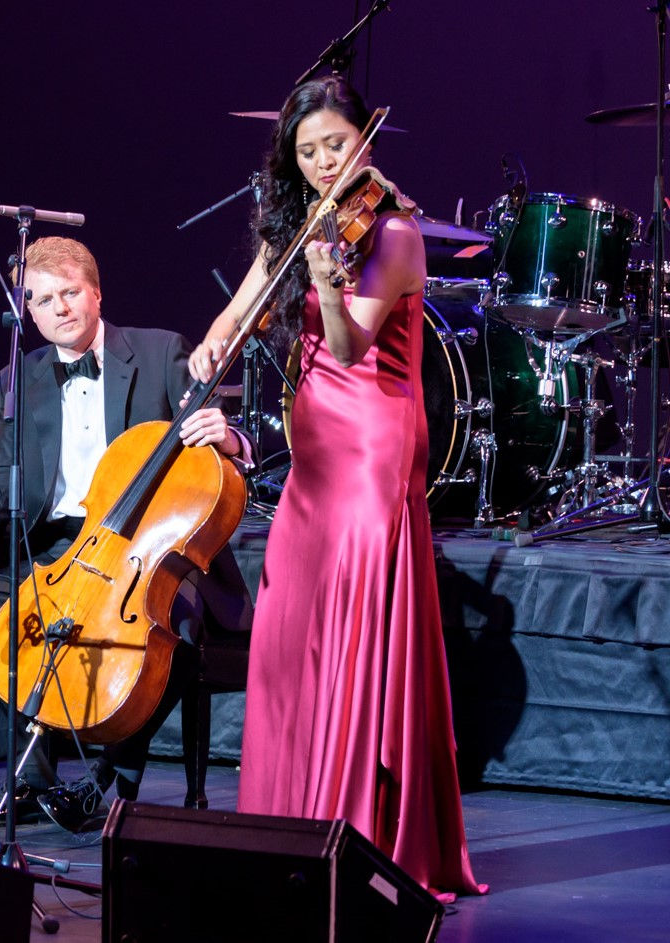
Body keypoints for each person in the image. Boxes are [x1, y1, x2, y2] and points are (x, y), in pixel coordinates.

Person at [189, 75, 486, 899]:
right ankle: (287, 814)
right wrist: (216, 335)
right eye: (307, 148)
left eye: (335, 144)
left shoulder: (393, 231)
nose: (323, 161)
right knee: (291, 622)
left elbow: (353, 346)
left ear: (366, 140)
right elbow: (251, 288)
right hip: (315, 446)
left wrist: (323, 280)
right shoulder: (302, 219)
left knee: (353, 621)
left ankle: (353, 824)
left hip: (372, 446)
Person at [0, 236, 253, 832]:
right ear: (28, 311)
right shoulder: (17, 378)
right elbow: (0, 472)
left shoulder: (160, 352)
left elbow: (222, 444)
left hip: (151, 545)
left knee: (166, 626)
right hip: (60, 551)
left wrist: (226, 439)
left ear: (96, 294)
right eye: (43, 300)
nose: (59, 309)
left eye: (70, 293)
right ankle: (30, 778)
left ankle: (107, 780)